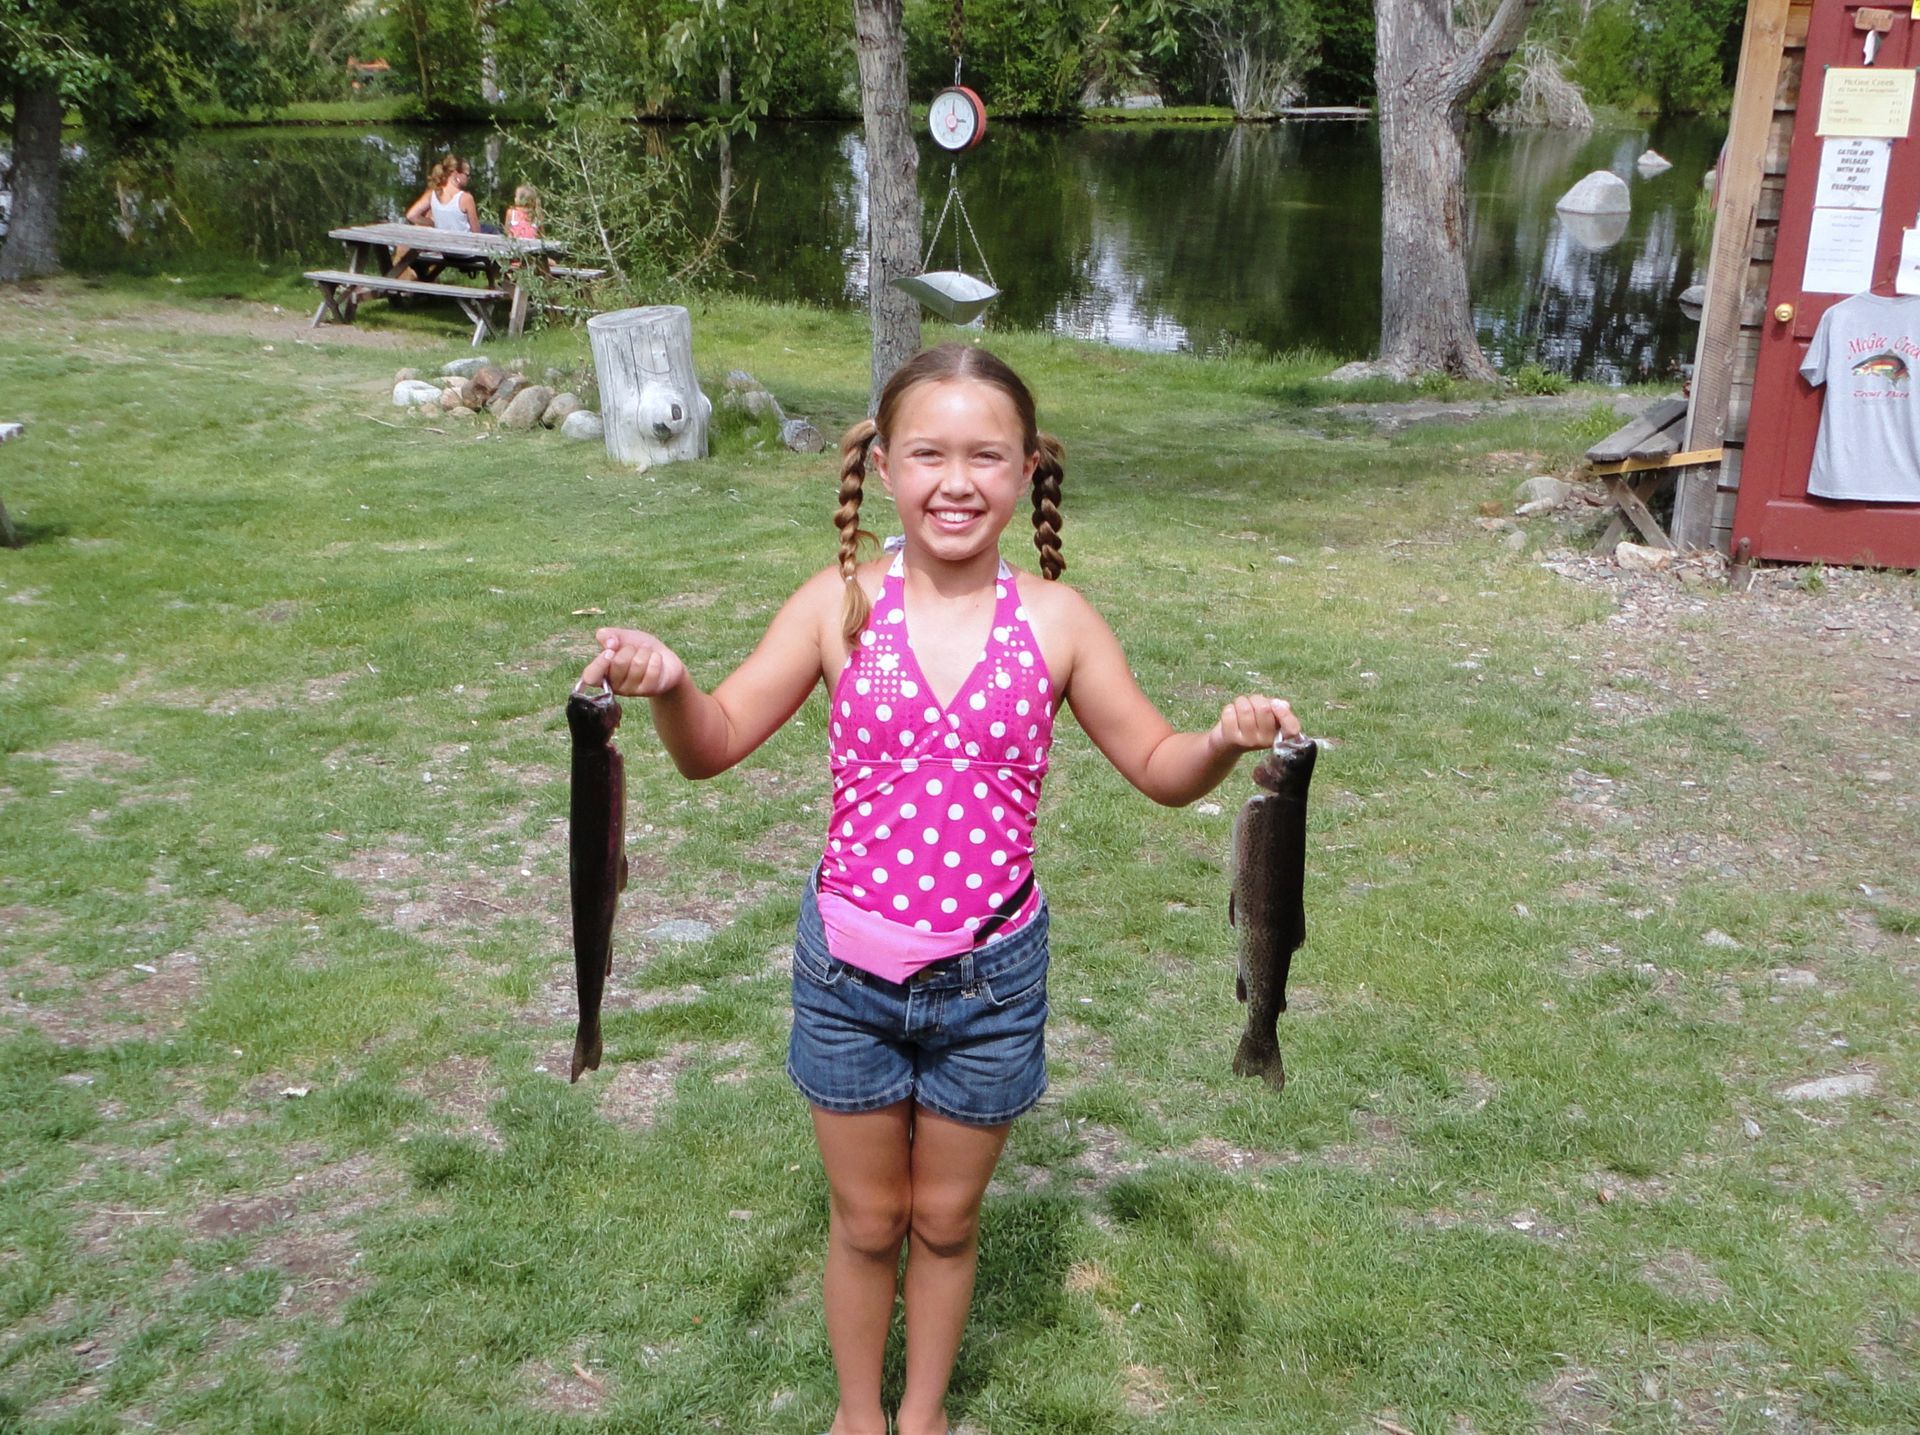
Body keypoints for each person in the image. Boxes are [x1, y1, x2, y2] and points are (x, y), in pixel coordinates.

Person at [576, 344, 1300, 1435]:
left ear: (1025, 473)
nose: (955, 480)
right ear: (880, 462)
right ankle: (857, 1415)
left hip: (991, 986)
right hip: (845, 974)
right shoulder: (840, 603)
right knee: (868, 1220)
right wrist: (676, 682)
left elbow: (1158, 766)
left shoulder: (1057, 621)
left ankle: (922, 1417)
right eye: (928, 453)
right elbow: (712, 744)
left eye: (984, 456)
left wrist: (1221, 742)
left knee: (949, 1221)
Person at [392, 153, 495, 281]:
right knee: (493, 231)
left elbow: (411, 215)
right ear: (456, 174)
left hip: (446, 252)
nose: (469, 178)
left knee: (488, 229)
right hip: (465, 254)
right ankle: (497, 281)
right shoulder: (466, 198)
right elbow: (477, 235)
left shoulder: (433, 193)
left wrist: (432, 223)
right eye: (467, 174)